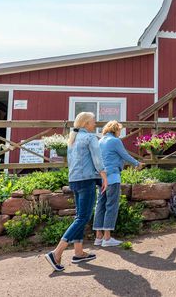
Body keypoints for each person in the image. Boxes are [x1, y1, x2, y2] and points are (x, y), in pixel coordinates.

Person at [45, 112, 108, 272]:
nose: (95, 124)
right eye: (93, 122)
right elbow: (97, 158)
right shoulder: (90, 138)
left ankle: (79, 252)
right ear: (86, 123)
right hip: (86, 180)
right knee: (83, 218)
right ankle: (56, 252)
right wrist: (104, 176)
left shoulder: (72, 139)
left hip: (74, 180)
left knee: (79, 216)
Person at [93, 120, 142, 247]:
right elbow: (124, 155)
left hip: (101, 177)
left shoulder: (100, 141)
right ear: (115, 129)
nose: (120, 132)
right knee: (111, 206)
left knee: (100, 205)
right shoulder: (115, 141)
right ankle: (107, 238)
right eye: (119, 130)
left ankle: (98, 237)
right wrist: (137, 163)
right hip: (113, 178)